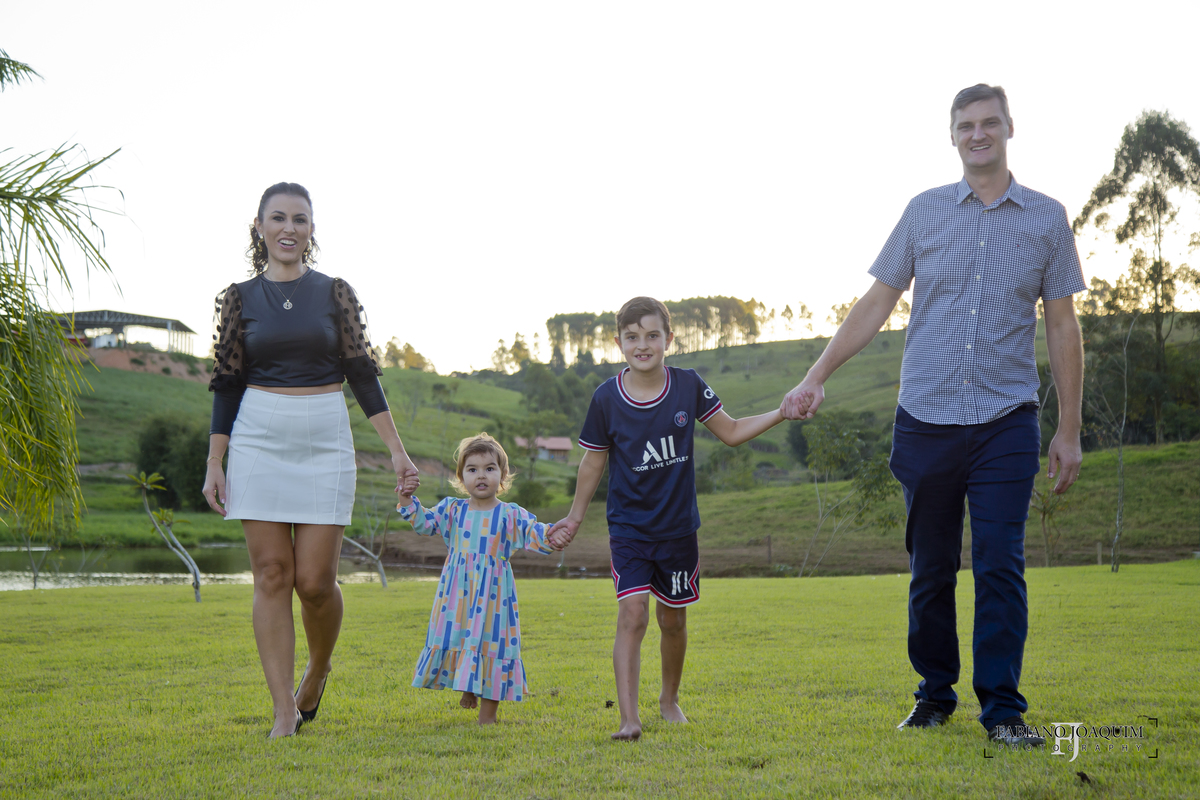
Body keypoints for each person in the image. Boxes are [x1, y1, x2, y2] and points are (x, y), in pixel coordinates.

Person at [782, 85, 1085, 746]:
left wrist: (1068, 430)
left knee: (1000, 564)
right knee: (931, 568)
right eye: (965, 125)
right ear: (952, 136)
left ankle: (1003, 711)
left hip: (1007, 417)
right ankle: (933, 696)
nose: (978, 134)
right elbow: (876, 302)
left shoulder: (1047, 218)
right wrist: (816, 376)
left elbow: (1063, 325)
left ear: (1009, 128)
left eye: (989, 123)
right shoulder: (923, 212)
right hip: (926, 419)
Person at [201, 182, 418, 738]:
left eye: (300, 219)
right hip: (258, 436)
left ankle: (317, 670)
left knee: (316, 582)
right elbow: (227, 383)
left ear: (312, 229)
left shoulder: (334, 293)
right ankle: (283, 710)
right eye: (278, 218)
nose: (289, 228)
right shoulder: (238, 299)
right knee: (272, 574)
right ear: (259, 227)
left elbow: (362, 375)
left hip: (325, 435)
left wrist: (397, 452)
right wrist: (215, 460)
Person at [549, 297, 787, 741]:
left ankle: (669, 700)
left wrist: (782, 412)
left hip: (678, 531)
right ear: (619, 342)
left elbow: (732, 431)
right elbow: (593, 462)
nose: (642, 345)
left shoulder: (688, 385)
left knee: (672, 621)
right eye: (632, 337)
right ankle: (629, 719)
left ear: (669, 339)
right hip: (629, 529)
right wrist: (575, 518)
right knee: (632, 613)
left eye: (652, 335)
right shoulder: (606, 398)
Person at [395, 433, 561, 725]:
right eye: (472, 469)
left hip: (494, 598)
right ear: (461, 477)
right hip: (458, 595)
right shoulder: (453, 510)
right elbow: (424, 523)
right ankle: (468, 686)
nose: (481, 475)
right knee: (463, 637)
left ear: (502, 475)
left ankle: (488, 716)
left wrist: (557, 533)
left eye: (489, 468)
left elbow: (536, 534)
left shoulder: (510, 515)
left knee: (492, 644)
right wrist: (406, 498)